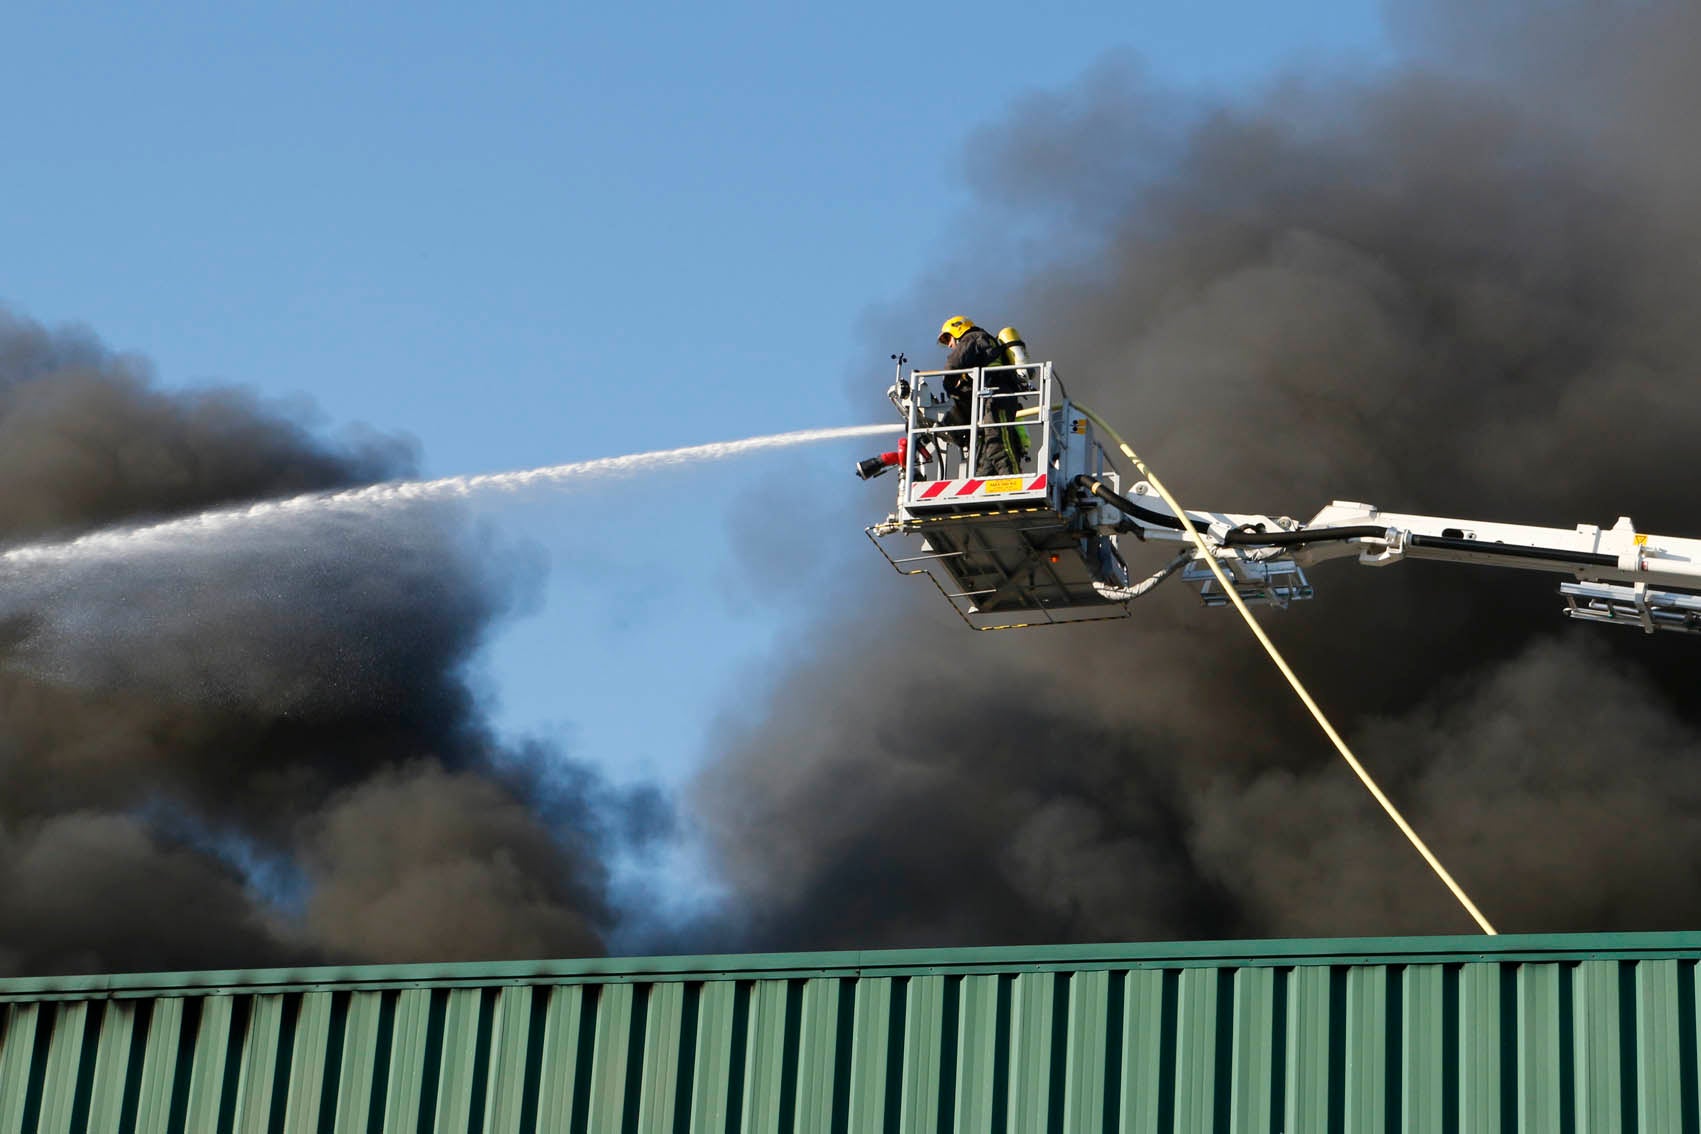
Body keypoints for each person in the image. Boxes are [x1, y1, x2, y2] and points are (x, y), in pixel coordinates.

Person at [937, 315, 1027, 475]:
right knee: (987, 449)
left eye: (949, 339)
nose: (950, 345)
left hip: (997, 397)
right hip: (990, 398)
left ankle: (1011, 481)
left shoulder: (972, 338)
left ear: (958, 330)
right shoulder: (982, 342)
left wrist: (950, 387)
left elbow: (953, 364)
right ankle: (984, 484)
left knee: (998, 442)